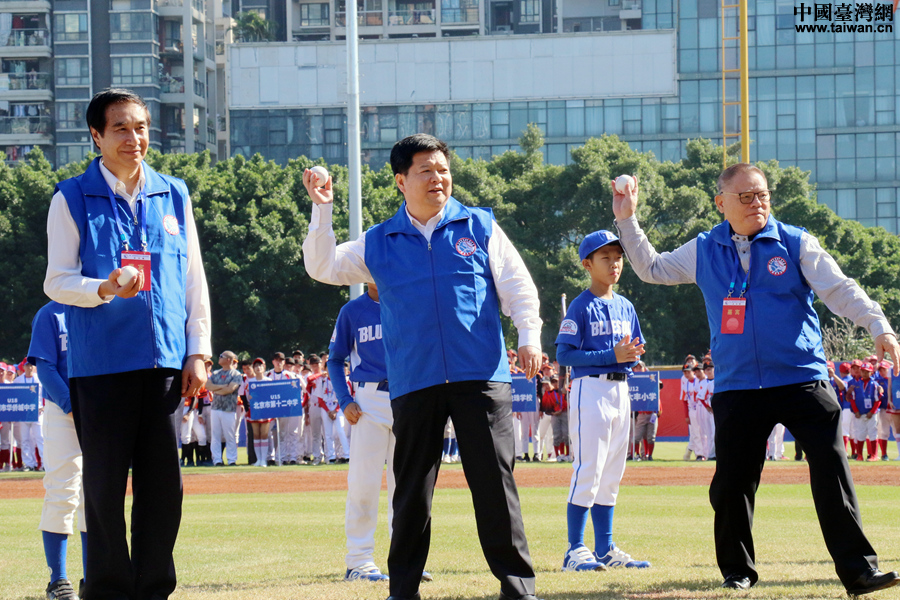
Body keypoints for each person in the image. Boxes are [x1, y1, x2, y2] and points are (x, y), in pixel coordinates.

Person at [612, 162, 900, 594]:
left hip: (802, 378)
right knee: (731, 484)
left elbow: (839, 289)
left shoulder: (795, 242)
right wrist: (626, 218)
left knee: (831, 468)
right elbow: (652, 268)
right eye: (745, 196)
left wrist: (879, 325)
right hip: (738, 385)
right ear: (721, 203)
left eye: (762, 194)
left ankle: (859, 571)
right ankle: (738, 572)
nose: (756, 203)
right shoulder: (703, 248)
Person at [303, 133, 542, 600]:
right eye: (425, 171)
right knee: (411, 491)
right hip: (414, 382)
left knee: (495, 488)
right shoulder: (379, 242)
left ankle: (519, 589)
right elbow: (323, 266)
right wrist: (322, 209)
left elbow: (518, 285)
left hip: (482, 378)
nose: (438, 178)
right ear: (400, 181)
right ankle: (403, 590)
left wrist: (529, 336)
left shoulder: (480, 225)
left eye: (443, 169)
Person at [44, 88, 211, 600]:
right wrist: (104, 288)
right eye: (120, 128)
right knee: (104, 489)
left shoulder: (173, 193)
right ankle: (109, 589)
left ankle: (154, 587)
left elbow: (192, 280)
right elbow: (56, 281)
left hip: (164, 364)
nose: (134, 138)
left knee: (165, 489)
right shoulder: (71, 197)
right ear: (96, 136)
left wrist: (198, 351)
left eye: (140, 127)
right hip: (100, 368)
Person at [555, 230, 650, 572]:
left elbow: (636, 344)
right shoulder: (581, 305)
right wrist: (613, 353)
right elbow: (564, 354)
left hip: (620, 389)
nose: (614, 264)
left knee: (611, 472)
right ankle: (574, 550)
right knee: (588, 470)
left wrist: (633, 354)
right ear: (587, 264)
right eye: (605, 258)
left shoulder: (626, 305)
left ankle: (605, 548)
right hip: (590, 390)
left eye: (618, 257)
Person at [327, 281, 396, 582]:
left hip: (409, 396)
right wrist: (345, 400)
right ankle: (358, 560)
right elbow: (334, 359)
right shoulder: (353, 310)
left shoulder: (408, 299)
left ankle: (407, 559)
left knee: (407, 484)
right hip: (368, 399)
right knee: (363, 482)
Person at [29, 301, 87, 600]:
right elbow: (45, 367)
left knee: (99, 496)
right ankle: (58, 580)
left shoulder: (106, 307)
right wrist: (71, 405)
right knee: (62, 490)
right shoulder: (51, 313)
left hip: (101, 411)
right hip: (62, 411)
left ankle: (95, 577)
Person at [206, 351, 243, 467]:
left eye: (222, 356)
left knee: (229, 435)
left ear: (228, 360)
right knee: (215, 435)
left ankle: (231, 460)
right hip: (215, 408)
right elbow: (207, 386)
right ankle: (217, 460)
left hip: (229, 409)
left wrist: (216, 389)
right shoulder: (216, 373)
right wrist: (223, 387)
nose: (219, 358)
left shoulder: (236, 374)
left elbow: (230, 389)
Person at [848, 362, 881, 462]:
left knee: (872, 433)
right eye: (863, 371)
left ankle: (874, 455)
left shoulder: (875, 385)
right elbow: (852, 399)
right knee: (860, 434)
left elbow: (878, 399)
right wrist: (856, 411)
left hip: (872, 414)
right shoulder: (856, 385)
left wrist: (872, 411)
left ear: (871, 372)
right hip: (860, 413)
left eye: (867, 372)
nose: (864, 373)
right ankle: (859, 455)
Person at [245, 358, 273, 467]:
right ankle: (258, 460)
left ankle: (263, 460)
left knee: (264, 434)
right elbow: (247, 396)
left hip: (265, 409)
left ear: (264, 367)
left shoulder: (268, 381)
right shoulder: (250, 382)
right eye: (256, 366)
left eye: (260, 365)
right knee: (256, 435)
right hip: (255, 409)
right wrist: (250, 397)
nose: (258, 368)